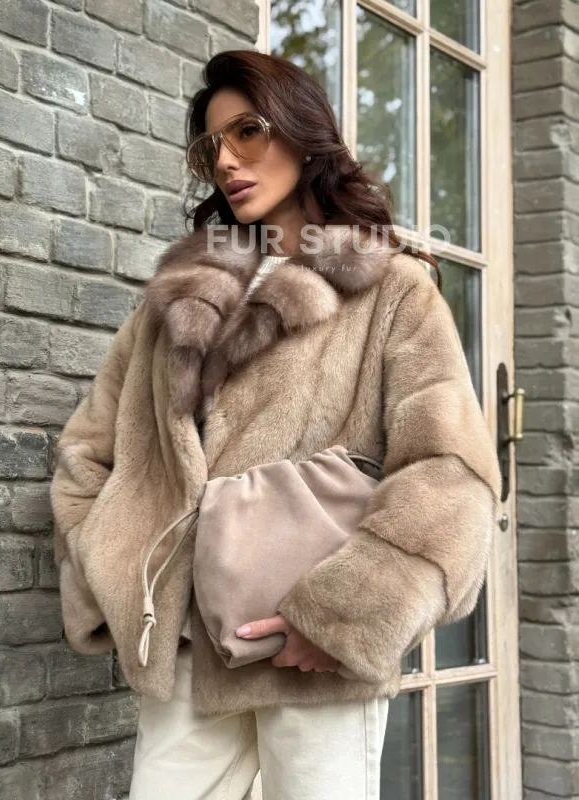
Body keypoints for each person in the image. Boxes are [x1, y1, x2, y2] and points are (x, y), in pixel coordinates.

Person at [50, 50, 501, 800]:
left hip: (312, 654)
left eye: (248, 131)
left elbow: (450, 471)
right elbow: (89, 449)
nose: (227, 160)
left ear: (302, 132)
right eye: (211, 148)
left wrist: (344, 618)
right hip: (187, 651)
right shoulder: (173, 301)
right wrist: (109, 571)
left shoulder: (392, 289)